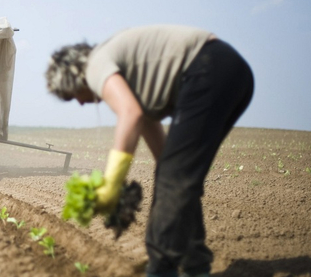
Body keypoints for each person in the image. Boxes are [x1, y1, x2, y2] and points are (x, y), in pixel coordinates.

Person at [46, 24, 254, 277]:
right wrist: (169, 174)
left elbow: (130, 115)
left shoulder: (94, 64)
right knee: (175, 177)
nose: (79, 102)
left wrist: (112, 183)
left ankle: (160, 270)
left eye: (71, 95)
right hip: (229, 71)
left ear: (74, 75)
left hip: (208, 68)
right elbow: (163, 155)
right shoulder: (134, 81)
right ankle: (195, 265)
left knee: (174, 179)